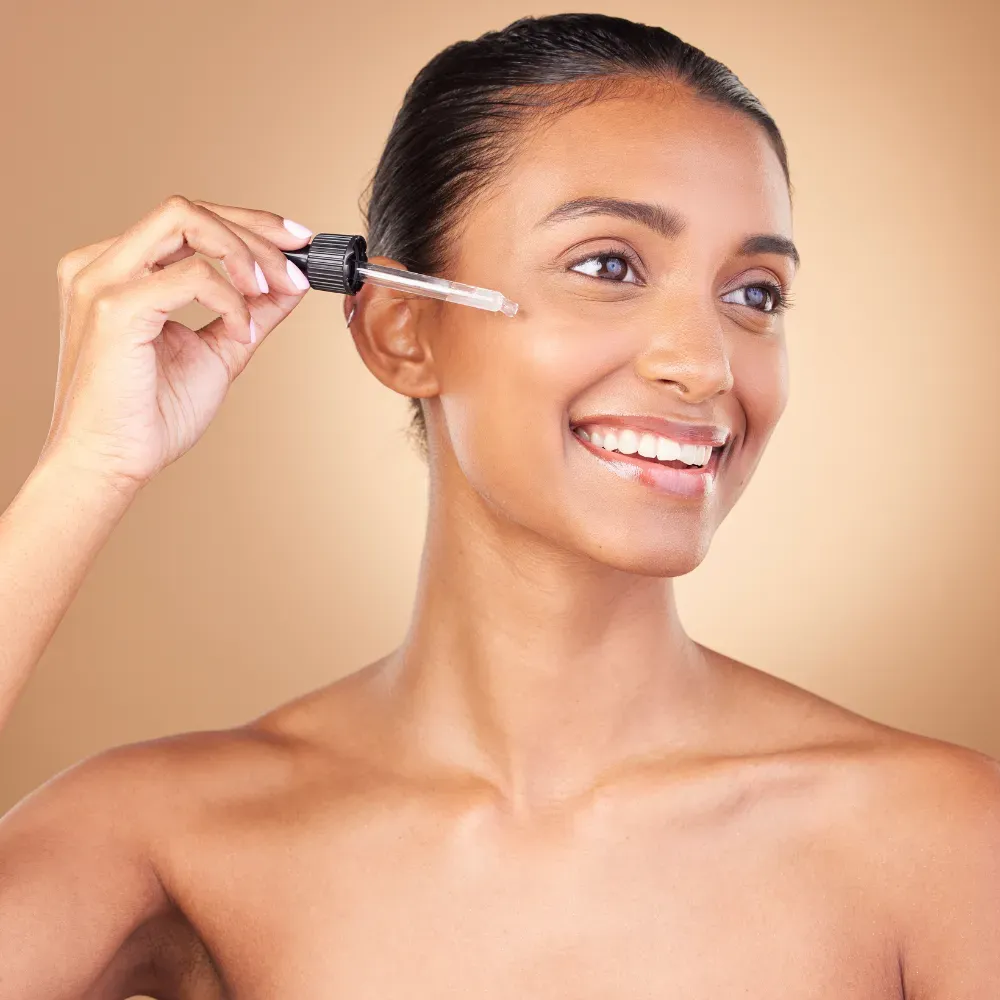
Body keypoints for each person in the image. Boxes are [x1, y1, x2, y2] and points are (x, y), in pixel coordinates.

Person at [0, 12, 997, 998]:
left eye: (755, 293)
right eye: (607, 265)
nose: (702, 364)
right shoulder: (169, 836)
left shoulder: (939, 840)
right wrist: (87, 470)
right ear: (401, 331)